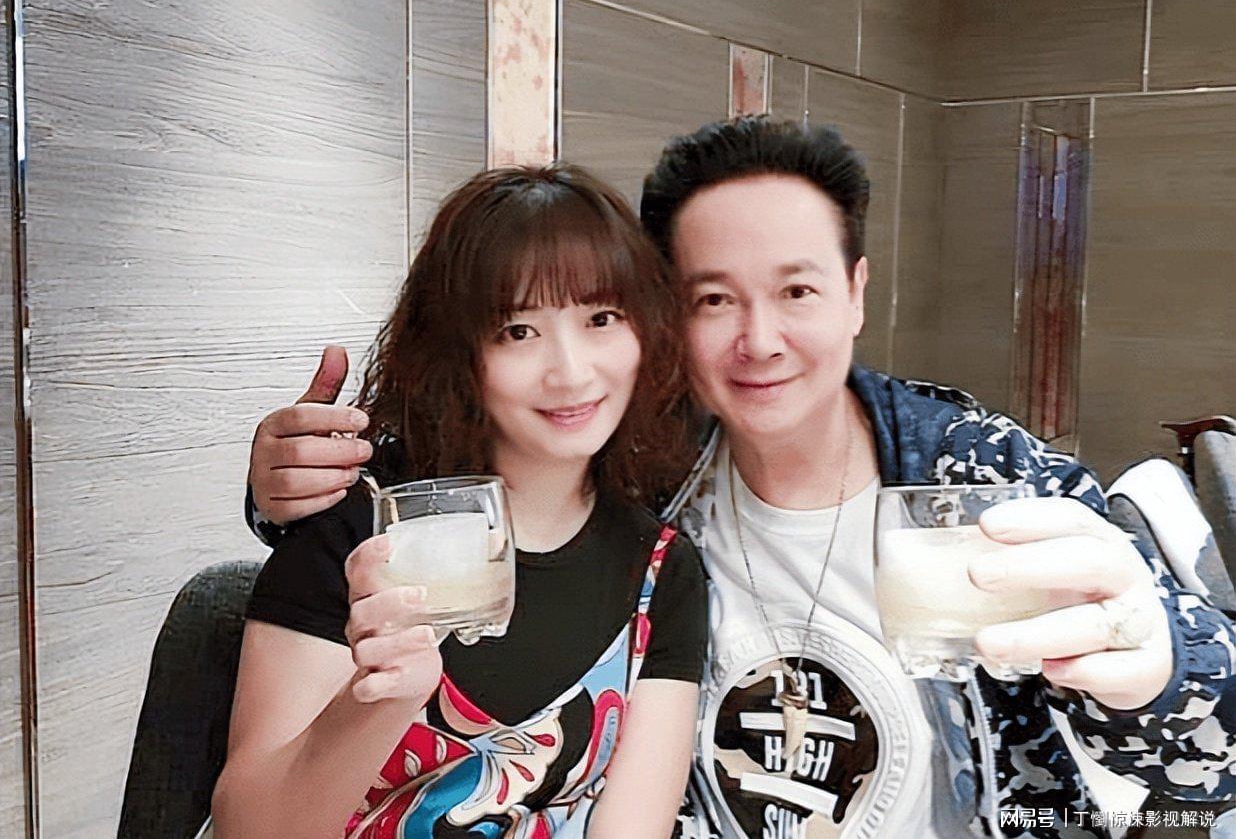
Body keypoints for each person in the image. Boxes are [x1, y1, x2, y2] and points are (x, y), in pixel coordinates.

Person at [244, 118, 1236, 838]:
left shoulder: (980, 478)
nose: (760, 341)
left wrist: (1157, 674)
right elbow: (452, 486)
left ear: (855, 292)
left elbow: (1208, 762)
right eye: (715, 299)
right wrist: (287, 483)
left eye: (797, 289)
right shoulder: (653, 469)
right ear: (668, 317)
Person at [211, 164, 708, 838]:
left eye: (602, 318)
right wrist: (379, 699)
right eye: (518, 331)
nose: (571, 372)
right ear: (457, 349)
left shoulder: (659, 573)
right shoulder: (362, 523)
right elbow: (249, 829)